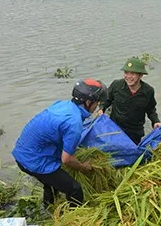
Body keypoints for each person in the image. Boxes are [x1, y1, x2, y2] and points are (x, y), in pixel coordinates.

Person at [12, 79, 107, 207]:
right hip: (34, 160)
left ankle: (49, 208)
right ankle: (74, 221)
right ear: (88, 102)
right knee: (75, 189)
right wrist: (84, 167)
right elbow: (66, 159)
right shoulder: (74, 123)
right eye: (97, 103)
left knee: (51, 183)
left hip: (22, 153)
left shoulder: (63, 105)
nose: (96, 107)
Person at [98, 58, 161, 144]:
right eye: (126, 73)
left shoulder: (148, 91)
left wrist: (155, 121)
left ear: (141, 75)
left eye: (132, 73)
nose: (128, 77)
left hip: (135, 133)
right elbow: (107, 100)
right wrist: (101, 108)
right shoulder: (116, 85)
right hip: (115, 129)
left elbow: (151, 109)